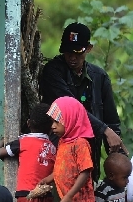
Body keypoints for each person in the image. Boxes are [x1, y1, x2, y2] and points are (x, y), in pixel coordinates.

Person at [39, 22, 127, 170]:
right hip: (58, 151)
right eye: (68, 52)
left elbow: (111, 120)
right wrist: (105, 130)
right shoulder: (53, 71)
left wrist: (117, 155)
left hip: (89, 154)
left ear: (89, 49)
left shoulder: (99, 76)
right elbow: (72, 109)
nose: (72, 57)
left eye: (78, 52)